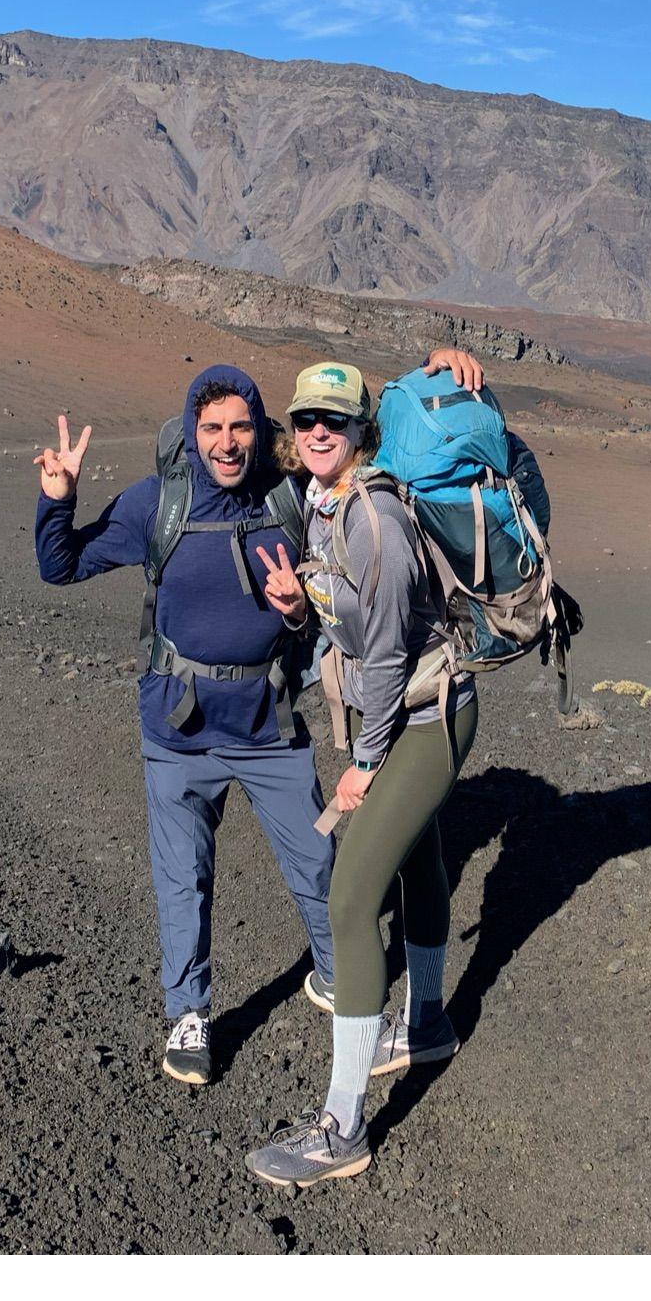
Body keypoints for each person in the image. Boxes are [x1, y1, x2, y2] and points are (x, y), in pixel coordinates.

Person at [33, 352, 479, 1088]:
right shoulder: (159, 504)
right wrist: (58, 497)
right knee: (183, 877)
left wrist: (440, 368)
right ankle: (189, 1013)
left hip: (268, 725)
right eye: (211, 427)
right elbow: (61, 565)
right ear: (192, 429)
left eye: (241, 425)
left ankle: (345, 979)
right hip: (176, 729)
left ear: (259, 429)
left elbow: (359, 447)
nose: (227, 442)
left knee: (319, 867)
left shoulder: (288, 496)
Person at [245, 360, 480, 1189]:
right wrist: (300, 604)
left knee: (350, 896)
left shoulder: (372, 517)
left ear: (361, 432)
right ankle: (423, 1022)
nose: (317, 430)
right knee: (417, 857)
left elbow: (381, 660)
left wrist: (363, 768)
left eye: (334, 421)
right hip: (412, 713)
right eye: (307, 417)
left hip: (422, 717)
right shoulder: (326, 505)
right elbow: (351, 619)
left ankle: (342, 1124)